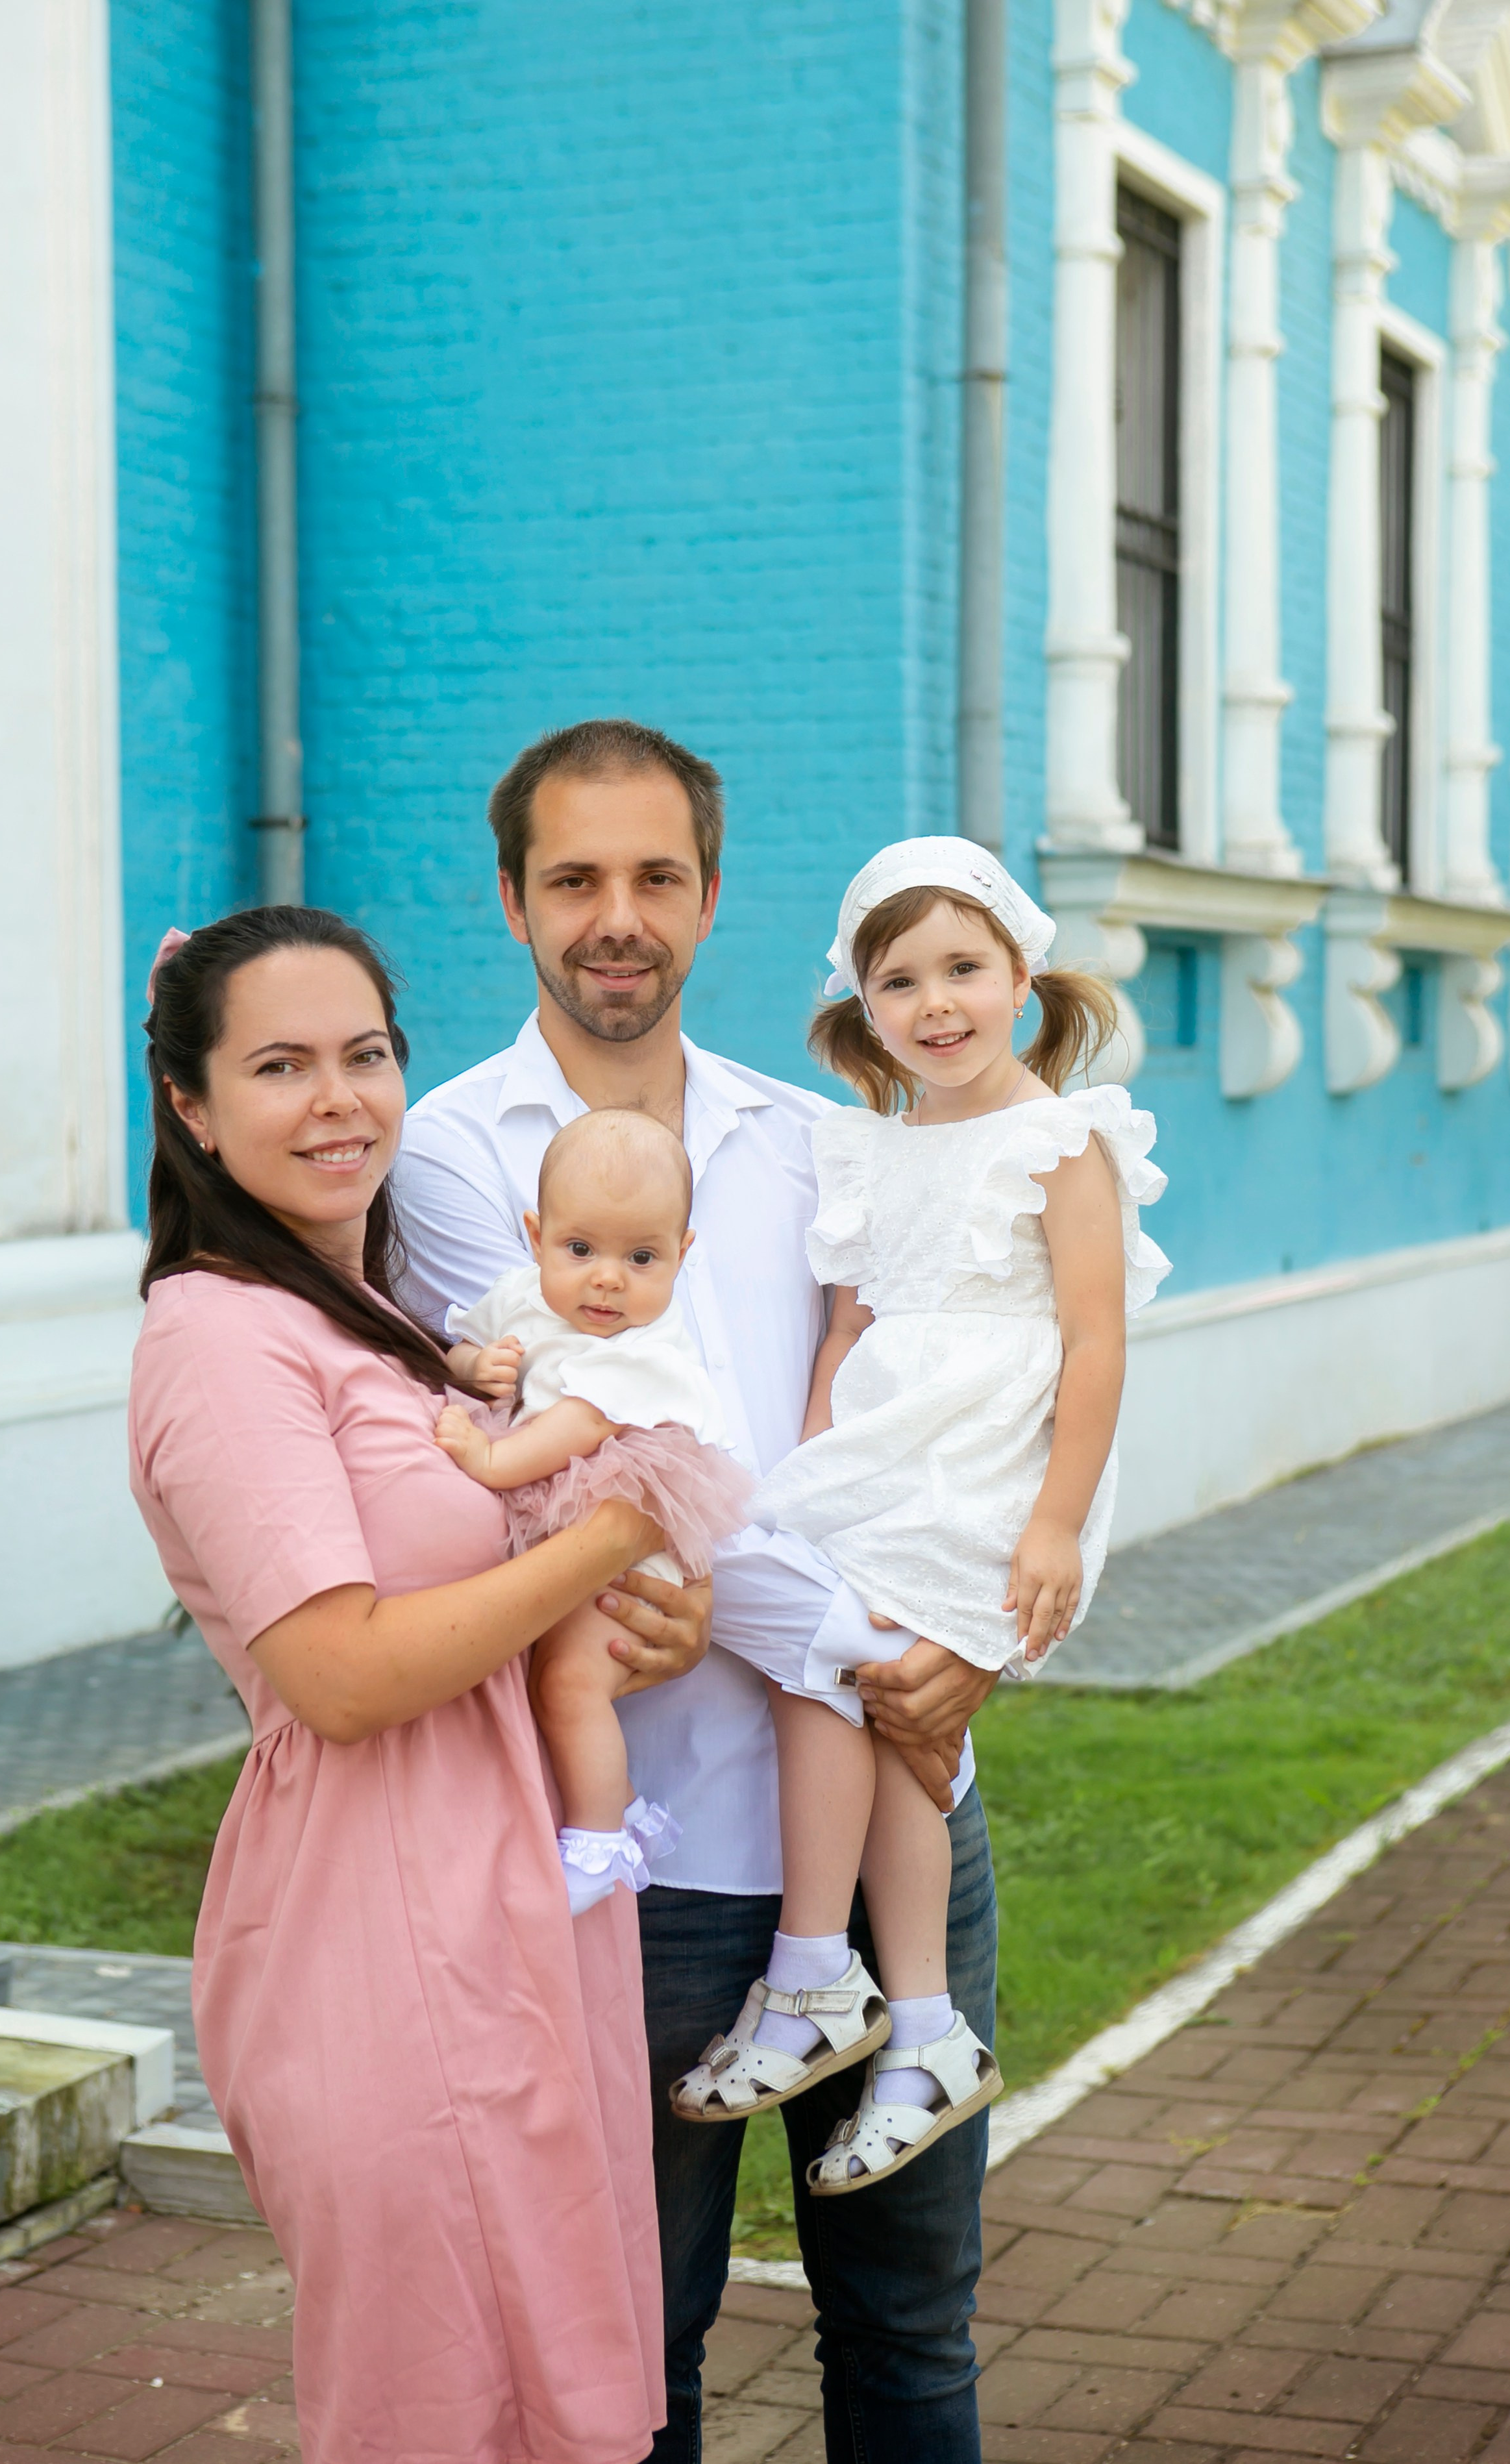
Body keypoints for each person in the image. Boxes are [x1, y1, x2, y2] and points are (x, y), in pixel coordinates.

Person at [393, 719, 1002, 2464]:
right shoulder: (448, 1159)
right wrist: (635, 1572)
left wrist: (968, 1642)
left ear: (711, 896)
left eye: (656, 875)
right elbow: (580, 1457)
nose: (618, 916)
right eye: (575, 876)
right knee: (627, 2360)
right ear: (512, 900)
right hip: (641, 1858)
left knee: (909, 2336)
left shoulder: (819, 1144)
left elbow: (928, 1427)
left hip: (897, 1801)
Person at [127, 904, 713, 2464]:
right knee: (438, 2405)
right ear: (190, 1104)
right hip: (375, 1925)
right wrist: (612, 1538)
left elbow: (478, 1587)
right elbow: (338, 1674)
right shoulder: (219, 1336)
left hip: (508, 1901)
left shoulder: (384, 1319)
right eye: (279, 1064)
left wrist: (620, 1615)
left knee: (546, 2387)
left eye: (367, 1054)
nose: (339, 1098)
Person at [675, 838, 1169, 2195]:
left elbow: (1093, 1342)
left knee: (859, 1678)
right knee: (849, 1684)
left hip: (989, 1461)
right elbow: (848, 1320)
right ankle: (918, 2023)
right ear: (862, 1005)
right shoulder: (869, 1149)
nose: (935, 1001)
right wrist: (819, 1453)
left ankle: (818, 1974)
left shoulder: (1063, 1141)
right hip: (879, 1451)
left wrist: (1056, 1524)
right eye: (899, 979)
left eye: (962, 966)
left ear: (1021, 971)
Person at [436, 1106, 750, 1912]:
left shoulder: (652, 1349)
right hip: (565, 1534)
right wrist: (482, 1364)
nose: (607, 1278)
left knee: (570, 1684)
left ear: (681, 1256)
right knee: (538, 1679)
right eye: (580, 1250)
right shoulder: (520, 1297)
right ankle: (621, 1817)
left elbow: (582, 1423)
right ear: (537, 1236)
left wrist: (490, 1458)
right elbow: (456, 1346)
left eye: (641, 1257)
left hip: (628, 1546)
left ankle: (599, 1840)